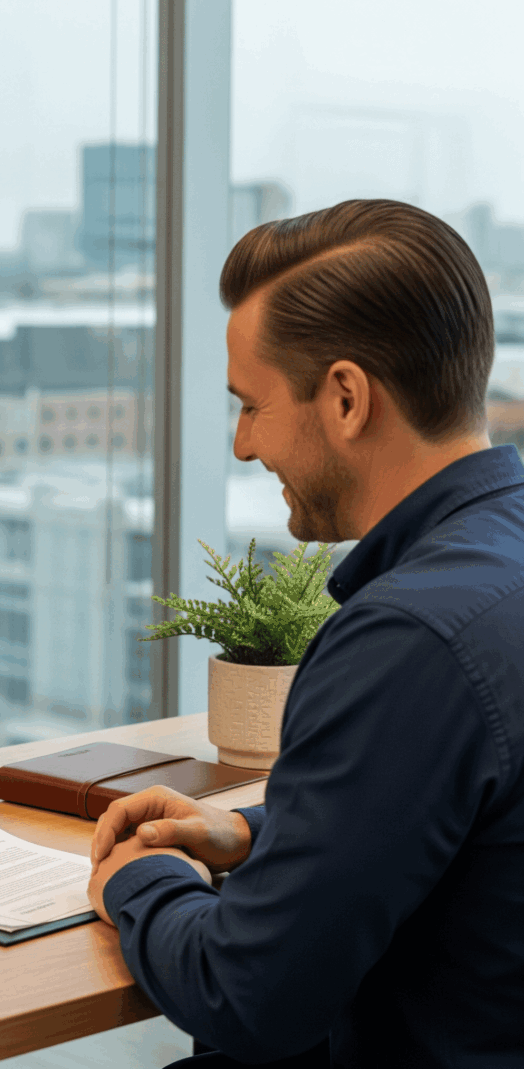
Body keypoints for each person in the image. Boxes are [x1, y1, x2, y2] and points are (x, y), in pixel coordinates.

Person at [87, 200, 524, 1068]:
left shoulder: (410, 639)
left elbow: (246, 995)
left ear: (348, 398)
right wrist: (259, 833)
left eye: (250, 406)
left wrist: (136, 880)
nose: (244, 446)